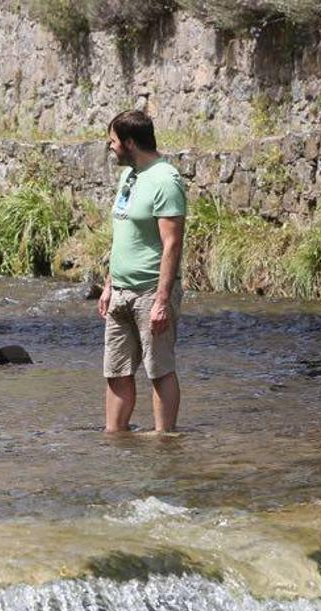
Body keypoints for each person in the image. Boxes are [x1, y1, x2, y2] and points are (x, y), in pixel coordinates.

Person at [97, 109, 187, 433]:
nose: (111, 148)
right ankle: (115, 439)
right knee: (116, 371)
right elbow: (123, 235)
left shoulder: (166, 181)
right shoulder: (129, 175)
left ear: (130, 142)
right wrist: (109, 284)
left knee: (158, 370)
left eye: (113, 142)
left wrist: (163, 300)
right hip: (120, 291)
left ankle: (165, 442)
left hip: (151, 292)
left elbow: (172, 244)